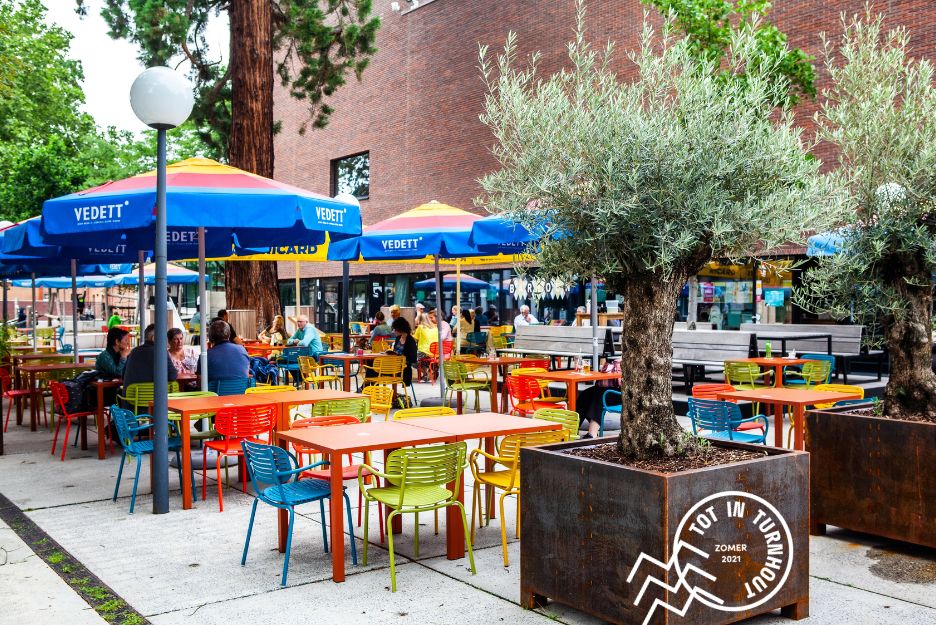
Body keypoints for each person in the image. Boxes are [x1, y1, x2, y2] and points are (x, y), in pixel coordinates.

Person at [122, 324, 178, 392]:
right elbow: (172, 375)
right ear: (154, 338)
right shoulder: (161, 352)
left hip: (132, 400)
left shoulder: (133, 352)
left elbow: (123, 376)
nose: (166, 340)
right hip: (156, 400)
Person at [389, 317, 417, 385]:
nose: (394, 331)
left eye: (395, 329)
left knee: (374, 369)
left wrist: (402, 358)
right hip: (394, 364)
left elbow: (413, 358)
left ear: (400, 329)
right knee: (372, 365)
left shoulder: (410, 340)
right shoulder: (398, 338)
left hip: (403, 368)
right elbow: (395, 351)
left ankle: (368, 388)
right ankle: (372, 389)